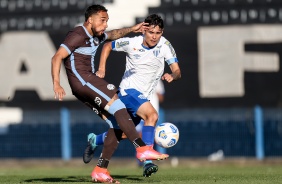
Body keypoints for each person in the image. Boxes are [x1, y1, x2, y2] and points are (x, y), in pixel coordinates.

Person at [51, 5, 168, 183]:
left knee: (117, 125)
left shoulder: (96, 35)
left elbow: (113, 35)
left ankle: (100, 169)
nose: (105, 24)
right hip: (84, 80)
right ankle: (142, 148)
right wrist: (57, 84)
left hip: (84, 83)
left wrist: (132, 29)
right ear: (90, 19)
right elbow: (57, 57)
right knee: (119, 105)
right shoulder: (78, 34)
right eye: (102, 20)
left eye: (107, 21)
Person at [83, 14, 181, 178]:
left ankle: (95, 140)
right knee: (152, 115)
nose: (154, 37)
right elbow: (107, 46)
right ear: (144, 30)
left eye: (158, 33)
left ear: (162, 32)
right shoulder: (132, 43)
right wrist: (101, 69)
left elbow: (178, 70)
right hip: (128, 92)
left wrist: (173, 75)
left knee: (121, 134)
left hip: (144, 96)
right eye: (151, 32)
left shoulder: (165, 45)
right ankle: (147, 161)